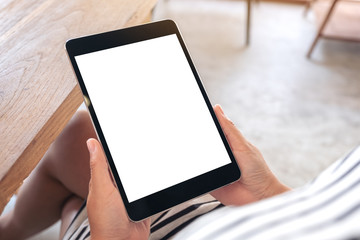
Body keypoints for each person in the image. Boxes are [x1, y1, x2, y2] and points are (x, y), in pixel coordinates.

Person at [1, 105, 359, 239]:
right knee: (79, 135)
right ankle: (15, 227)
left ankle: (18, 227)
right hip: (251, 212)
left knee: (76, 198)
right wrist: (269, 193)